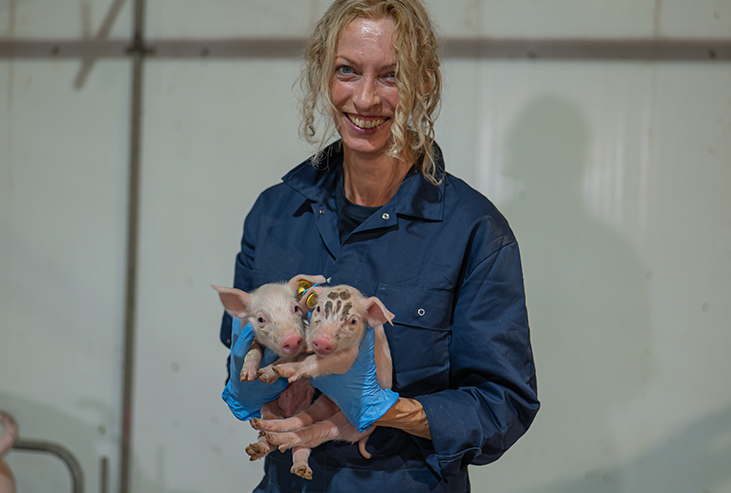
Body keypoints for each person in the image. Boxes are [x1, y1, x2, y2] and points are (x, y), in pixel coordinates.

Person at [219, 1, 539, 491]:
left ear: (425, 82)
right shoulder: (275, 215)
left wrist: (385, 409)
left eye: (390, 76)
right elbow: (240, 352)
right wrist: (251, 382)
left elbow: (504, 406)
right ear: (325, 75)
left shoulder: (473, 229)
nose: (365, 99)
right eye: (347, 71)